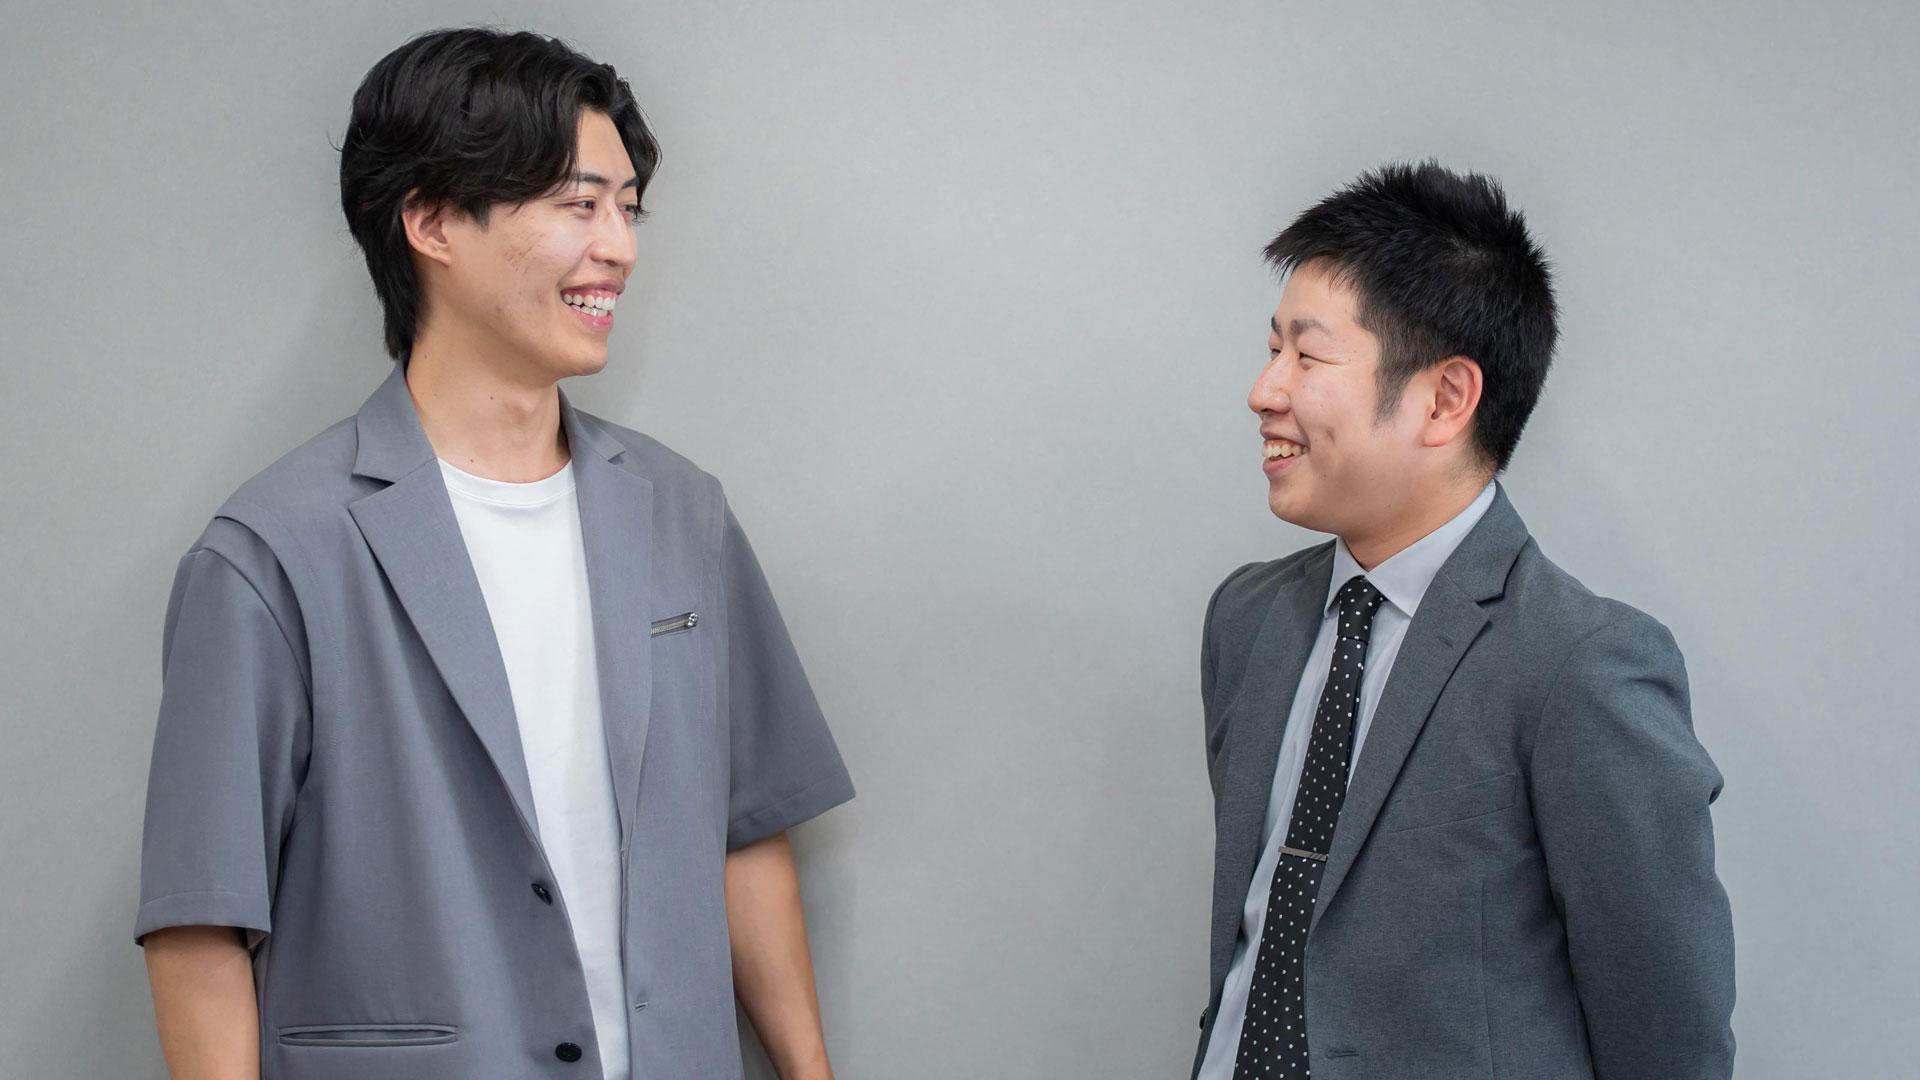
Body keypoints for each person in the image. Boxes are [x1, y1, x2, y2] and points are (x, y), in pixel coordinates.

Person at [135, 27, 852, 1080]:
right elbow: (200, 922)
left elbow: (744, 833)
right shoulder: (273, 555)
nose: (620, 247)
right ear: (430, 220)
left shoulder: (681, 515)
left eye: (628, 208)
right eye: (578, 204)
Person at [1192, 162, 1734, 1079]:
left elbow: (1668, 1035)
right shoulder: (1247, 619)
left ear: (1445, 399)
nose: (1264, 390)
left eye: (1307, 357)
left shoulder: (1581, 666)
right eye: (1271, 349)